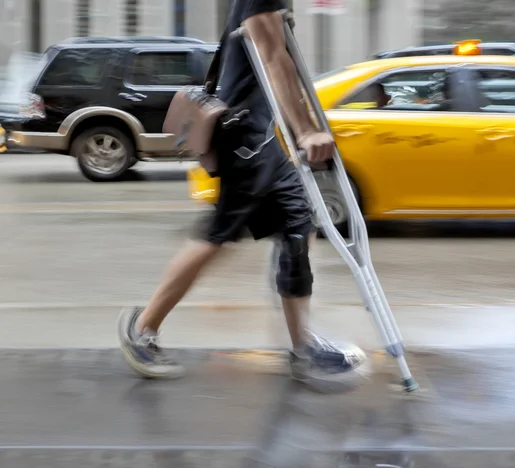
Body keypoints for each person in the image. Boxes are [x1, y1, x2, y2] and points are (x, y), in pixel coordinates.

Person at [117, 0, 368, 391]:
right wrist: (305, 131)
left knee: (298, 228)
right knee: (217, 235)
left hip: (263, 140)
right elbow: (272, 58)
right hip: (243, 139)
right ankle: (143, 328)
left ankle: (302, 347)